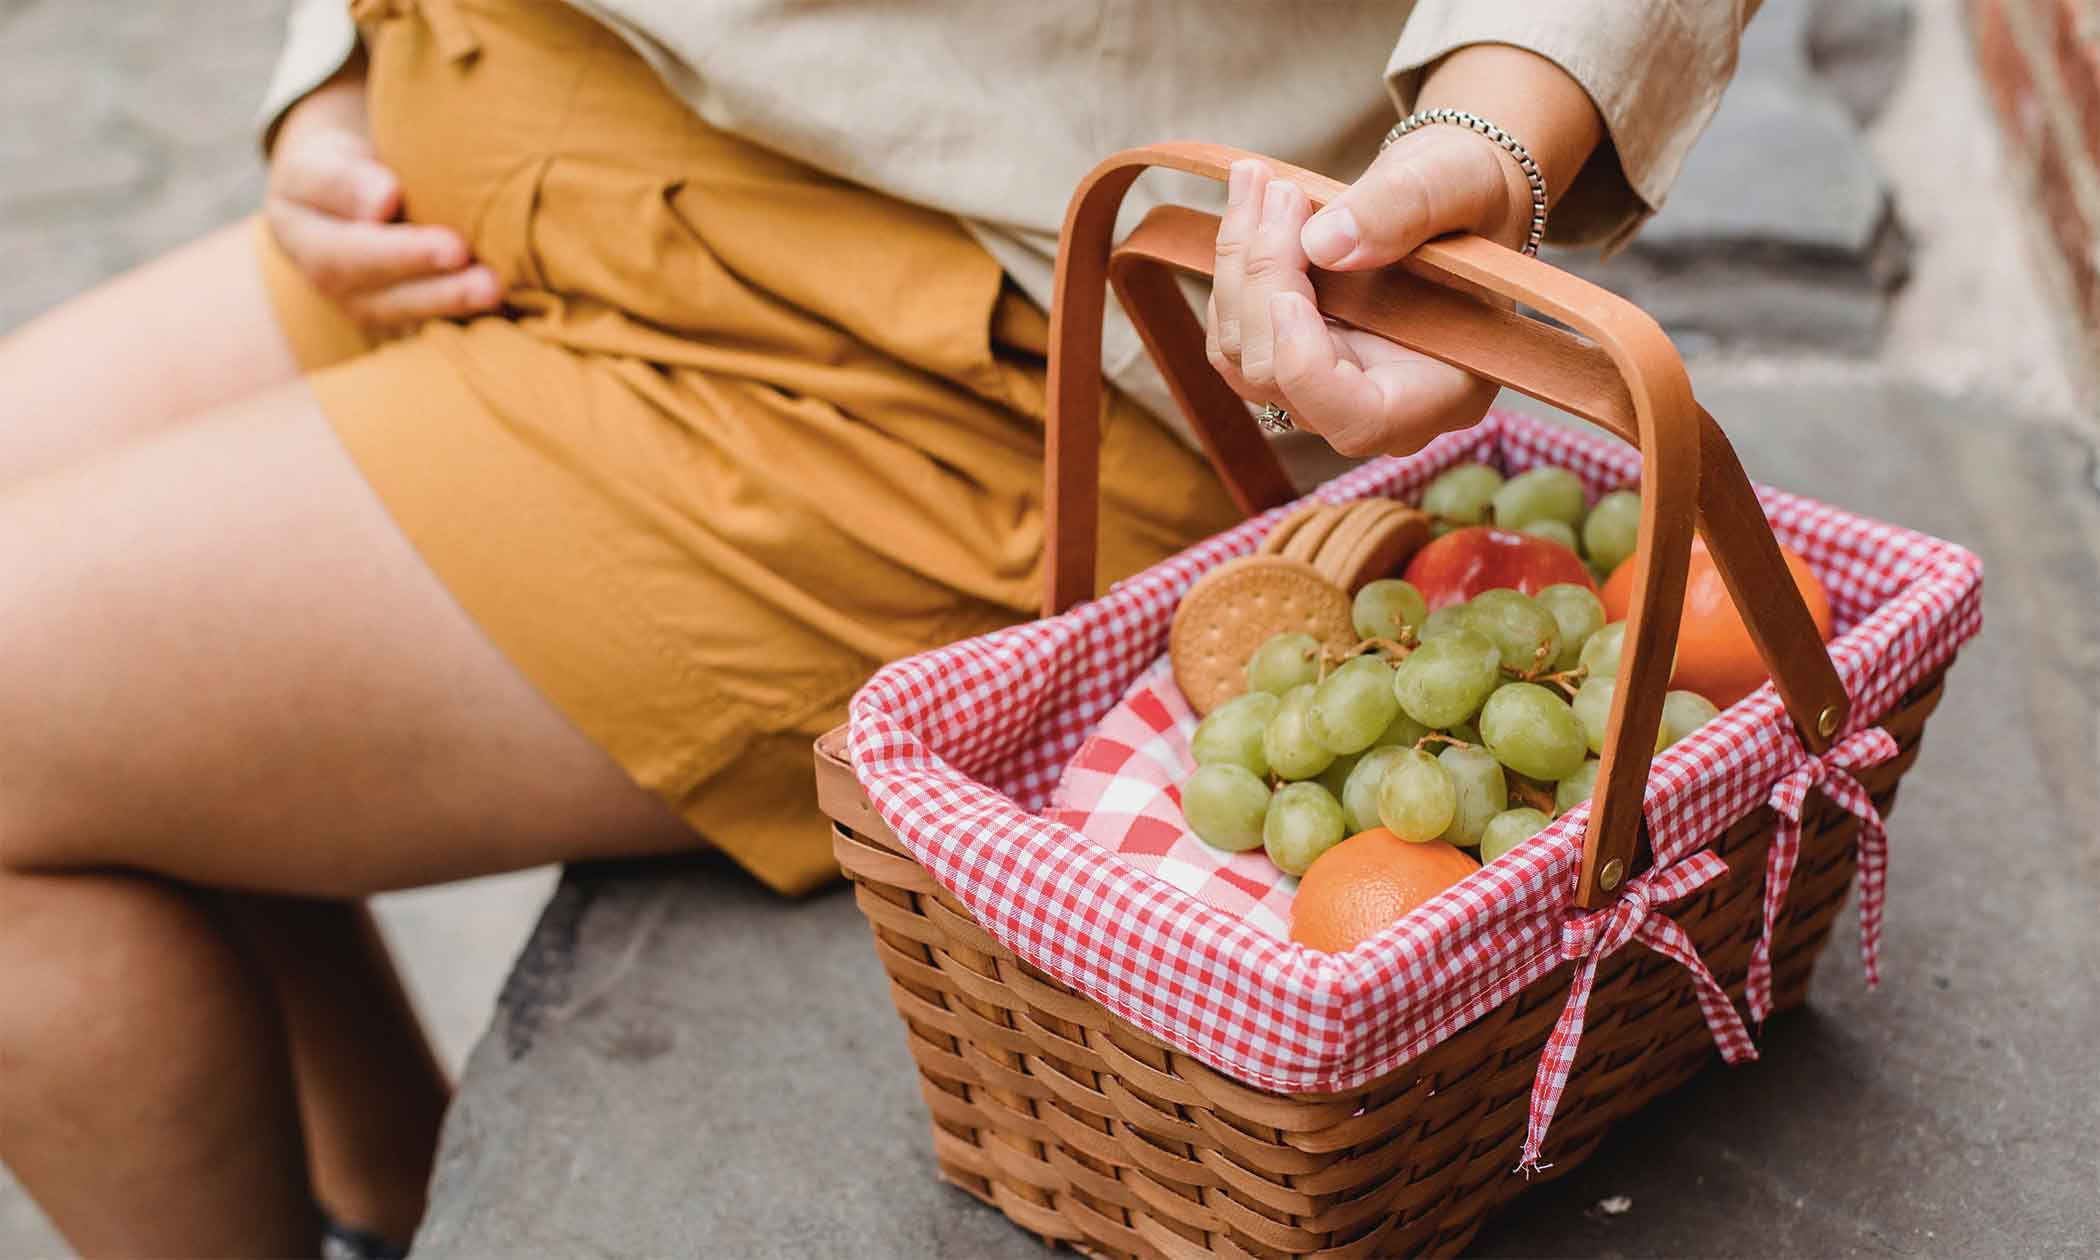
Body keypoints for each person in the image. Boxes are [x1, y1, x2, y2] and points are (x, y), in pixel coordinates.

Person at [0, 1, 1755, 1254]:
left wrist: (1483, 140)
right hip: (485, 148)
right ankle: (392, 1202)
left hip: (956, 330)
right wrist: (335, 68)